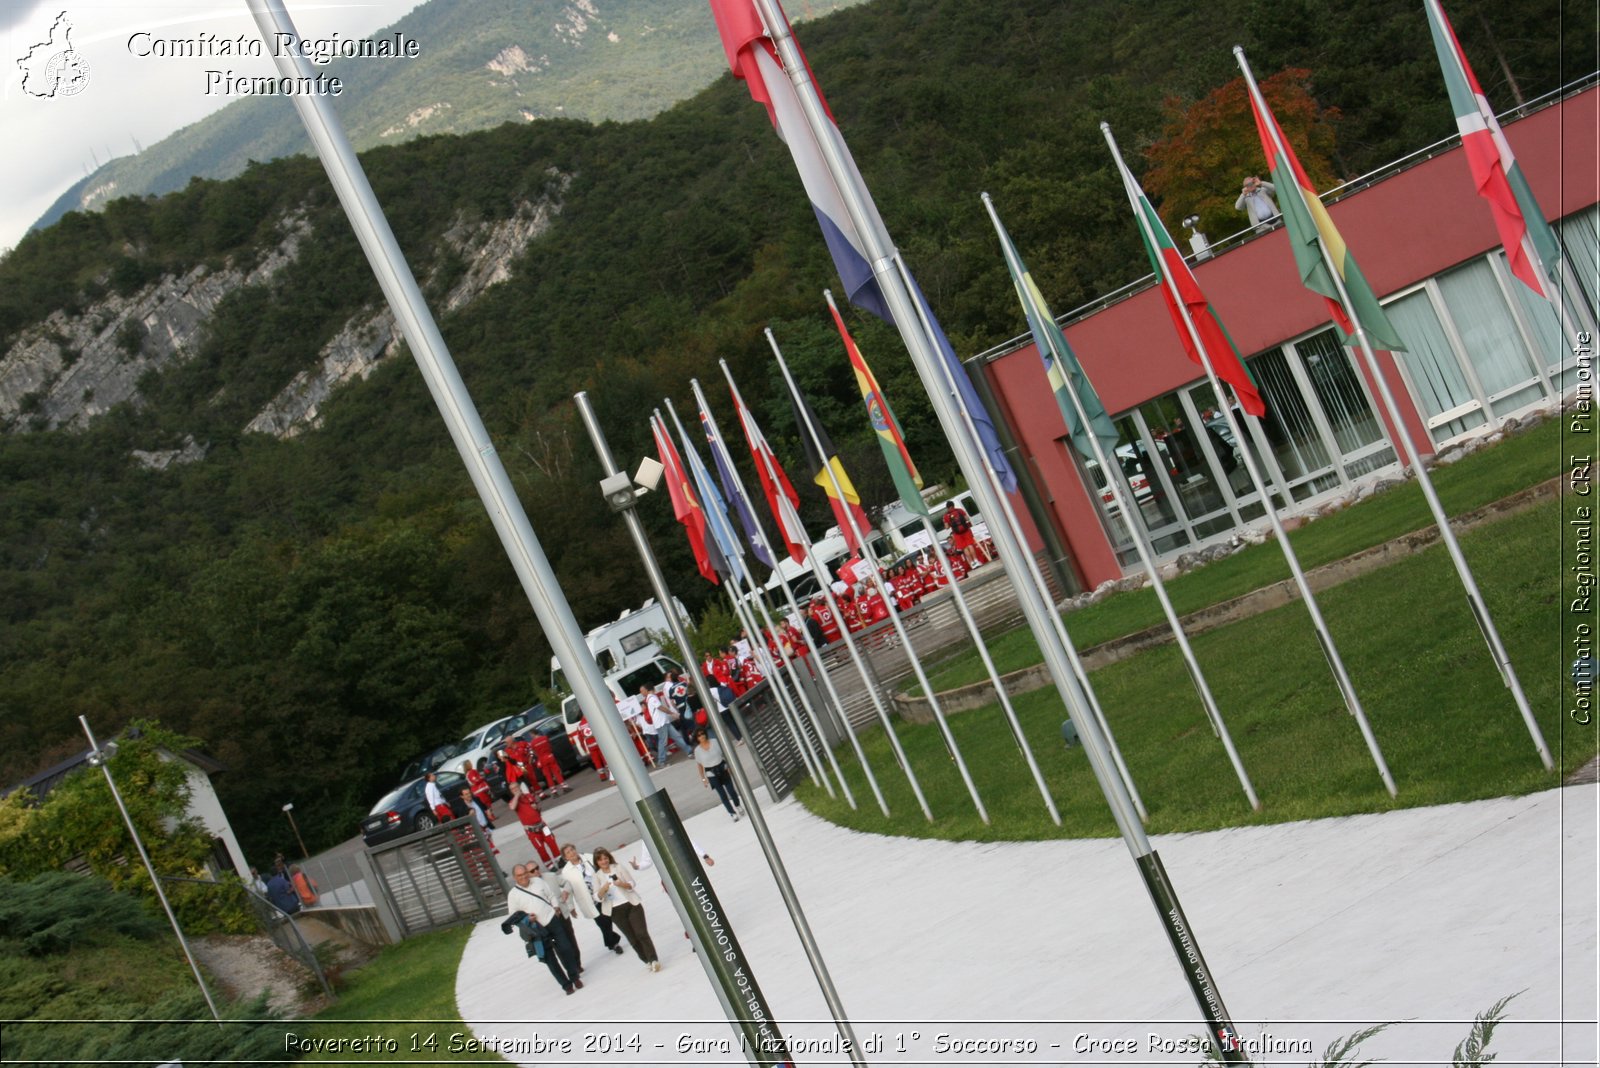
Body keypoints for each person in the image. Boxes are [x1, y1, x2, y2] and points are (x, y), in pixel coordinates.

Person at [505, 863, 584, 995]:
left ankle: (574, 977)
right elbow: (513, 916)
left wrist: (556, 907)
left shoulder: (538, 881)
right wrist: (526, 919)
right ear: (514, 878)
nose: (524, 876)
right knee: (550, 959)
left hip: (552, 919)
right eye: (520, 875)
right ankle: (566, 985)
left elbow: (551, 895)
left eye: (525, 873)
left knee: (566, 948)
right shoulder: (513, 895)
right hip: (536, 929)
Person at [592, 846, 659, 972]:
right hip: (615, 910)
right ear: (597, 863)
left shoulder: (618, 867)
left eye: (605, 858)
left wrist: (621, 884)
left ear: (609, 858)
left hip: (631, 904)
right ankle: (646, 960)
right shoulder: (597, 876)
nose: (604, 862)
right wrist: (603, 889)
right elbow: (596, 896)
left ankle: (654, 959)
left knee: (641, 933)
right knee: (632, 938)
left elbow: (632, 883)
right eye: (600, 860)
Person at [557, 844, 625, 956]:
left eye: (572, 849)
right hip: (589, 901)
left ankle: (611, 942)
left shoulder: (588, 858)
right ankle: (614, 943)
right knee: (602, 922)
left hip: (602, 893)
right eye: (568, 852)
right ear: (565, 858)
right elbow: (568, 889)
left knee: (608, 918)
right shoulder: (566, 872)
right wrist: (571, 907)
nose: (572, 853)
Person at [693, 728, 743, 821]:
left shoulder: (715, 742)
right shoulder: (697, 751)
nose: (702, 736)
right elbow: (699, 765)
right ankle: (732, 813)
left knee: (731, 790)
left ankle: (737, 804)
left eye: (703, 733)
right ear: (697, 738)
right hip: (711, 774)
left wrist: (728, 766)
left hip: (722, 768)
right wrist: (703, 779)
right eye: (699, 735)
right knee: (722, 795)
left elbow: (724, 754)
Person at [510, 782, 561, 868]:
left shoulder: (529, 796)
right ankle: (550, 865)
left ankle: (559, 859)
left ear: (519, 787)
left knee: (552, 841)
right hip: (532, 830)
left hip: (542, 825)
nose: (515, 789)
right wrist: (517, 795)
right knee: (540, 848)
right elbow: (512, 807)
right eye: (512, 789)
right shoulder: (513, 801)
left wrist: (536, 808)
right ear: (511, 791)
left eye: (516, 787)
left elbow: (537, 808)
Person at [639, 682, 688, 767]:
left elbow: (659, 707)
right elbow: (660, 707)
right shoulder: (651, 698)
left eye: (642, 691)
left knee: (676, 737)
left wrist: (670, 714)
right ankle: (661, 761)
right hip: (661, 723)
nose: (641, 693)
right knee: (663, 742)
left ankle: (689, 751)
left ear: (647, 690)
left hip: (663, 722)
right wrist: (672, 713)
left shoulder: (650, 698)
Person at [942, 500, 980, 569]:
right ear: (953, 505)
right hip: (966, 531)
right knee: (970, 545)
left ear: (947, 507)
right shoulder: (960, 510)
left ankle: (972, 563)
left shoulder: (946, 516)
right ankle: (976, 560)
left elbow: (947, 527)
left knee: (964, 548)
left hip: (957, 534)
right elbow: (967, 519)